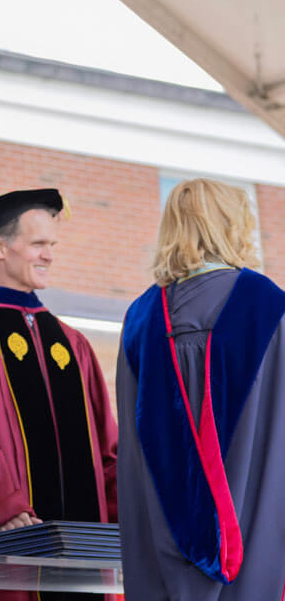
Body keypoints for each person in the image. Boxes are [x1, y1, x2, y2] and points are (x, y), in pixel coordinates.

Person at [0, 188, 117, 601]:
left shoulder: (73, 343)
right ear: (0, 246)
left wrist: (128, 518)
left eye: (52, 244)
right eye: (38, 244)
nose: (49, 255)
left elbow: (107, 446)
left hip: (87, 558)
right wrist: (0, 504)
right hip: (7, 547)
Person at [118, 179, 285, 600]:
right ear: (232, 226)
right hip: (252, 532)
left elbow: (134, 453)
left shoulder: (141, 318)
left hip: (160, 546)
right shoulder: (268, 306)